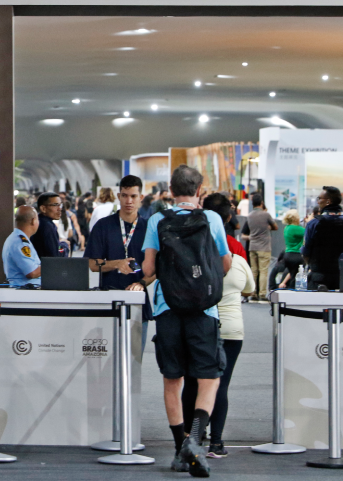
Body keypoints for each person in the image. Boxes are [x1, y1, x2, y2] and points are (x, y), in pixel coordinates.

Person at [140, 165, 232, 477]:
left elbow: (149, 269)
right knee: (210, 378)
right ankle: (194, 440)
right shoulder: (213, 219)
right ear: (199, 190)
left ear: (170, 189)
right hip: (204, 311)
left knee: (172, 380)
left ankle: (181, 448)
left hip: (167, 310)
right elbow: (225, 263)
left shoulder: (156, 220)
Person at [181, 193, 255, 459]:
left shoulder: (191, 243)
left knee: (192, 382)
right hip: (231, 326)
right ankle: (217, 443)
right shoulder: (235, 248)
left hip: (197, 322)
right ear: (227, 217)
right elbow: (249, 287)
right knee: (219, 385)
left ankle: (190, 438)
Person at [85, 175, 153, 348]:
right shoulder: (103, 226)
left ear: (141, 198)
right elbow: (92, 265)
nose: (128, 201)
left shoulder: (150, 228)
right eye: (124, 195)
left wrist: (142, 283)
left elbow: (157, 267)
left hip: (138, 303)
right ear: (118, 196)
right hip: (109, 301)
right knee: (108, 360)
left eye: (133, 196)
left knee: (135, 360)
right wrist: (116, 264)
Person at [302, 186, 343, 290]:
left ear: (328, 202)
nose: (318, 202)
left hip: (319, 277)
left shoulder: (314, 223)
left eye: (319, 198)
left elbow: (306, 251)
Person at [240, 193, 276, 302]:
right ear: (261, 203)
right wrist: (267, 227)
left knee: (254, 271)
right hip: (264, 247)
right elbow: (275, 226)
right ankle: (262, 294)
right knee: (263, 271)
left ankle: (253, 293)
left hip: (252, 246)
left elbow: (245, 232)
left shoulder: (249, 216)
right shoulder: (266, 215)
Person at [3, 206, 42, 288]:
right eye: (38, 219)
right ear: (33, 221)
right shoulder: (20, 242)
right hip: (24, 293)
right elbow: (32, 272)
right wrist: (51, 267)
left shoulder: (18, 239)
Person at [278, 210, 305, 288]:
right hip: (296, 254)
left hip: (288, 254)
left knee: (292, 274)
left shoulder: (287, 228)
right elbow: (308, 231)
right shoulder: (295, 228)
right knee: (297, 277)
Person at [31, 192, 62, 259]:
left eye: (60, 205)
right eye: (55, 205)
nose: (59, 208)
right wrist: (64, 246)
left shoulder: (38, 222)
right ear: (43, 208)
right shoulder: (48, 227)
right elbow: (54, 257)